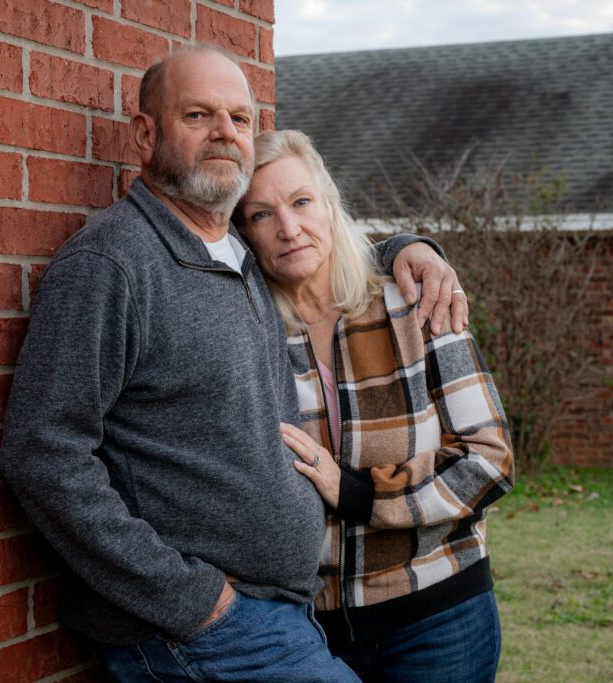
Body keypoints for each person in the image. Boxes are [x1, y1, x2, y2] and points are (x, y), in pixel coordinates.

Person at [0, 47, 467, 682]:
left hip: (281, 614)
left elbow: (314, 238)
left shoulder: (240, 253)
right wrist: (194, 600)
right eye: (198, 115)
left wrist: (412, 247)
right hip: (201, 628)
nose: (225, 133)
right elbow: (42, 451)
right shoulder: (111, 266)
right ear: (145, 134)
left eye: (240, 119)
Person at [235, 129, 514, 683]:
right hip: (307, 636)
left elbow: (489, 461)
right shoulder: (248, 331)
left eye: (301, 202)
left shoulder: (414, 303)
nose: (289, 229)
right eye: (261, 215)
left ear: (330, 202)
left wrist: (358, 492)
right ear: (244, 233)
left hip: (437, 618)